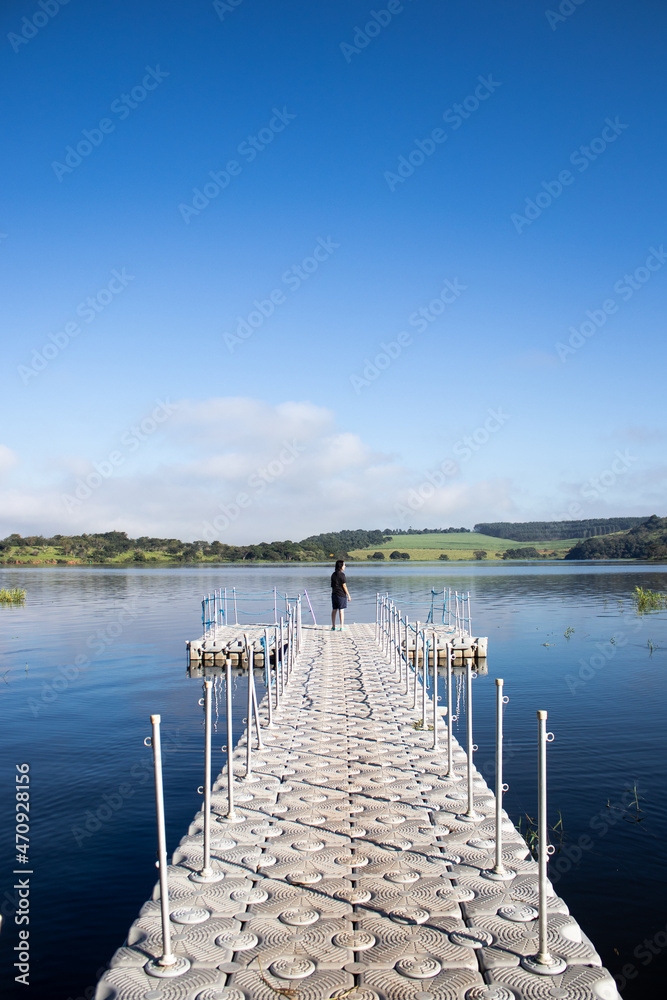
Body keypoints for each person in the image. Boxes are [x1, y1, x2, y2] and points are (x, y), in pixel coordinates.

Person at [330, 559, 352, 631]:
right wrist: (348, 595)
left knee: (334, 610)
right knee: (341, 610)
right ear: (341, 566)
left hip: (334, 594)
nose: (345, 566)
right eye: (344, 565)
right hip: (341, 594)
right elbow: (344, 586)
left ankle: (333, 626)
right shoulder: (342, 575)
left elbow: (332, 586)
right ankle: (342, 626)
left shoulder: (333, 574)